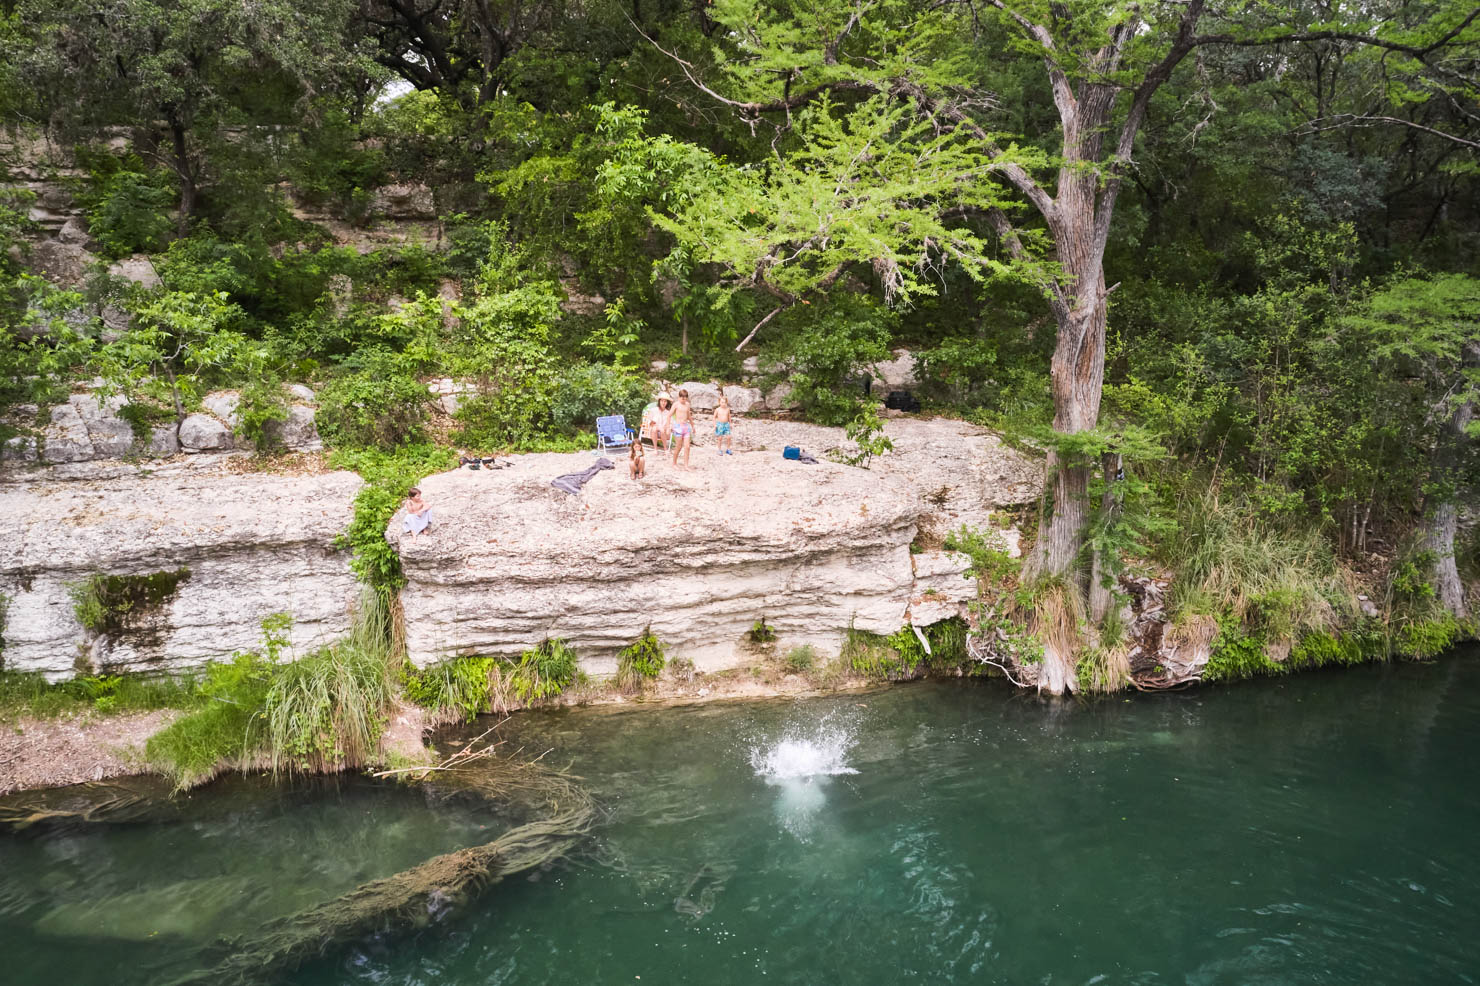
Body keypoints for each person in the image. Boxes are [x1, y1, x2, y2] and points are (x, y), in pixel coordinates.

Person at [671, 388, 695, 468]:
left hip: (685, 427)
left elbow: (689, 416)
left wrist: (693, 426)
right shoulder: (676, 404)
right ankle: (674, 463)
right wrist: (669, 426)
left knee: (687, 447)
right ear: (679, 397)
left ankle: (686, 465)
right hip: (678, 427)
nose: (683, 399)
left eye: (685, 397)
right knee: (679, 446)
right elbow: (669, 415)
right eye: (682, 397)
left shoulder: (687, 404)